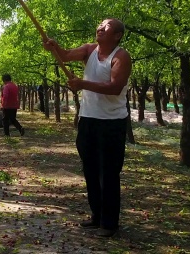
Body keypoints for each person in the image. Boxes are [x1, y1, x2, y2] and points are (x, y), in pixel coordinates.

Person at [42, 18, 132, 238]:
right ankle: (96, 216)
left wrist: (82, 84)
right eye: (100, 25)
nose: (100, 28)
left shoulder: (121, 56)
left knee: (108, 173)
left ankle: (109, 223)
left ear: (117, 35)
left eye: (106, 26)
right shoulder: (89, 50)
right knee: (90, 169)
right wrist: (54, 47)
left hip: (111, 122)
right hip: (88, 119)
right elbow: (64, 55)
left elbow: (114, 87)